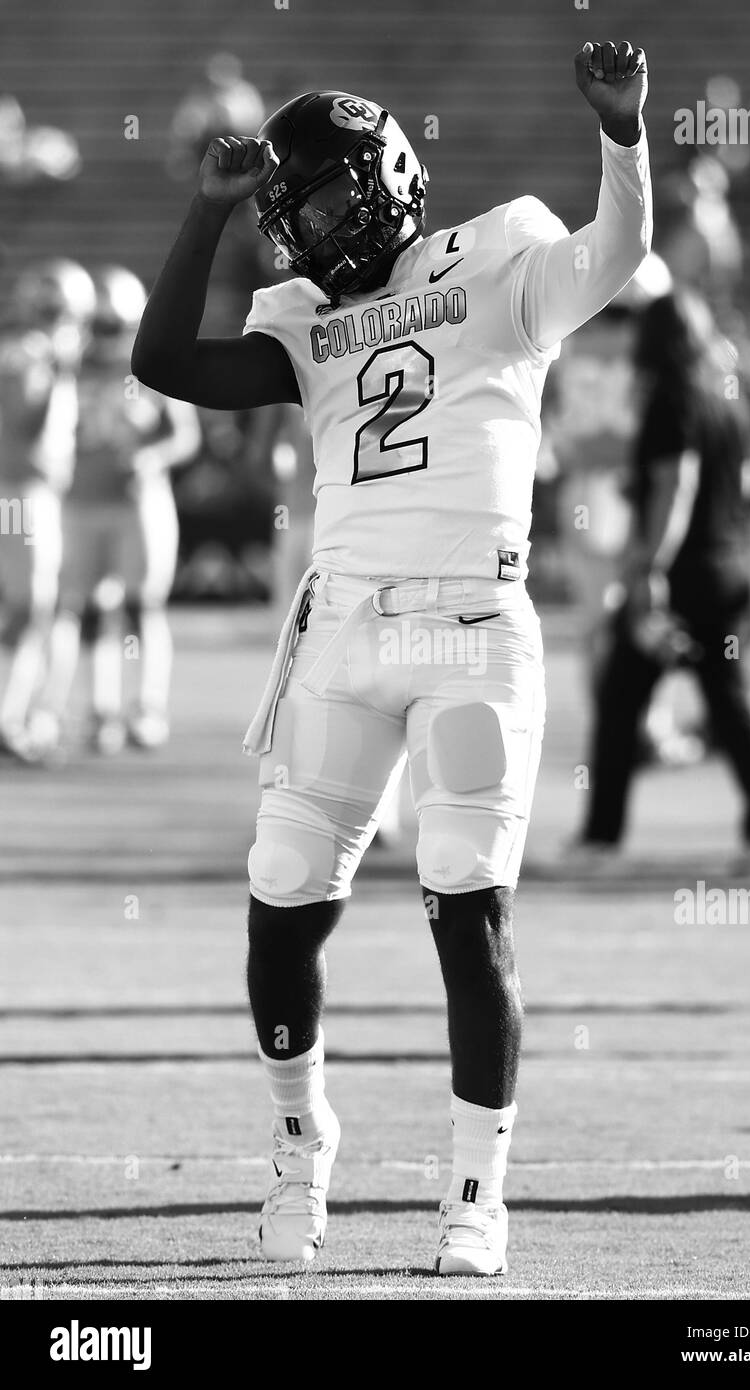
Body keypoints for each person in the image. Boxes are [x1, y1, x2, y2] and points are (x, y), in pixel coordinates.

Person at [132, 41, 652, 1276]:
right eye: (281, 214)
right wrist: (206, 214)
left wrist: (622, 134)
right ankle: (300, 1135)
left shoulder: (497, 262)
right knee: (278, 902)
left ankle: (475, 1190)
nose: (298, 234)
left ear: (385, 182)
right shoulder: (306, 322)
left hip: (469, 629)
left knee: (466, 905)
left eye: (308, 202)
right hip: (344, 631)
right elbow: (163, 363)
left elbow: (617, 253)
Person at [576, 289, 750, 876]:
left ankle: (604, 842)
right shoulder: (726, 398)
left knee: (628, 697)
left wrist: (647, 568)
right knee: (718, 704)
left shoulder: (671, 398)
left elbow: (677, 485)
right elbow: (746, 485)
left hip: (682, 577)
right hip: (724, 567)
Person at [30, 267, 199, 757]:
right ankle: (100, 709)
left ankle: (146, 707)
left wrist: (151, 456)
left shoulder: (144, 365)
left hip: (137, 504)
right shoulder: (67, 365)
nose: (102, 337)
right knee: (84, 611)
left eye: (110, 326)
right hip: (80, 504)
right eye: (97, 326)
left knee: (141, 607)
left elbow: (184, 435)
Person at [0, 260, 93, 758]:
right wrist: (61, 370)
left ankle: (37, 715)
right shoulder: (27, 353)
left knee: (50, 608)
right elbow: (23, 424)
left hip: (36, 493)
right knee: (29, 607)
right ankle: (11, 716)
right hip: (18, 495)